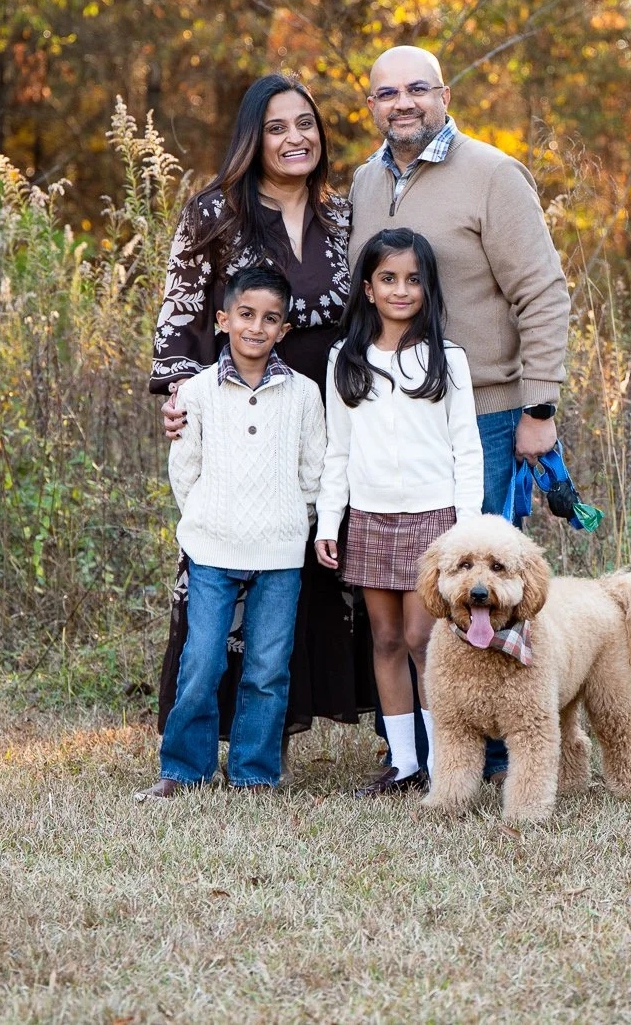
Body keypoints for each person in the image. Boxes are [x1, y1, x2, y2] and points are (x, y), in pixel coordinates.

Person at [349, 45, 571, 776]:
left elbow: (542, 293)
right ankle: (424, 749)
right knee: (422, 597)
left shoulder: (493, 174)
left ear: (444, 93)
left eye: (417, 88)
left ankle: (504, 749)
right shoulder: (365, 179)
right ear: (371, 104)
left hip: (486, 417)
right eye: (387, 92)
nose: (402, 102)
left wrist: (538, 406)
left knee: (486, 588)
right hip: (394, 421)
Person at [150, 75, 363, 744]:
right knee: (224, 577)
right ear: (253, 136)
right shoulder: (214, 213)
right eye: (277, 126)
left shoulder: (345, 215)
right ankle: (198, 737)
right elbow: (181, 309)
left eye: (306, 123)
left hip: (325, 417)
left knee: (315, 562)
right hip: (242, 417)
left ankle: (282, 733)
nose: (296, 137)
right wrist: (183, 393)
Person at [138, 266, 326, 800]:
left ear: (284, 330)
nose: (256, 328)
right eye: (245, 315)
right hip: (211, 545)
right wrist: (201, 521)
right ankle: (183, 769)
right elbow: (184, 467)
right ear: (223, 320)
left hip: (281, 551)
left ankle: (253, 772)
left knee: (267, 666)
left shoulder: (304, 395)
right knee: (202, 659)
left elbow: (313, 472)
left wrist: (295, 519)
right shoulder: (196, 392)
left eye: (270, 319)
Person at [315, 229, 483, 796]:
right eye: (388, 278)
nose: (401, 290)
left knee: (422, 638)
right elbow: (337, 449)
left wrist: (468, 530)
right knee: (384, 639)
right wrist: (329, 520)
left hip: (435, 521)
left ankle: (444, 762)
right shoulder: (347, 358)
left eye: (413, 280)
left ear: (428, 288)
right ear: (367, 287)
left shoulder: (447, 359)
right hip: (370, 516)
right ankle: (404, 762)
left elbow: (468, 448)